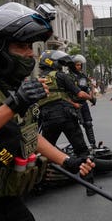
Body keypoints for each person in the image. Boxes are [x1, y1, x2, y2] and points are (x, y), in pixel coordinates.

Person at [0, 2, 93, 220]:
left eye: (30, 47)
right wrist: (14, 104)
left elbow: (27, 134)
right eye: (21, 47)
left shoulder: (15, 87)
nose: (29, 54)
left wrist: (66, 160)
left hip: (6, 198)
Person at [36, 50, 96, 196]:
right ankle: (90, 186)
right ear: (52, 62)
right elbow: (79, 93)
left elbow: (52, 97)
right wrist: (91, 98)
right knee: (82, 151)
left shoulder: (38, 80)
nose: (61, 65)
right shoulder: (60, 76)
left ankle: (39, 185)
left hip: (47, 119)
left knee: (46, 152)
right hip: (66, 117)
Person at [70, 54, 98, 149]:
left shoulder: (83, 76)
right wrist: (73, 103)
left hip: (83, 103)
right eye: (77, 65)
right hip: (73, 104)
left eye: (80, 65)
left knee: (88, 124)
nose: (79, 66)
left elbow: (90, 86)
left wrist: (92, 95)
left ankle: (93, 144)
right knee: (74, 127)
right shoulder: (68, 77)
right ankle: (79, 147)